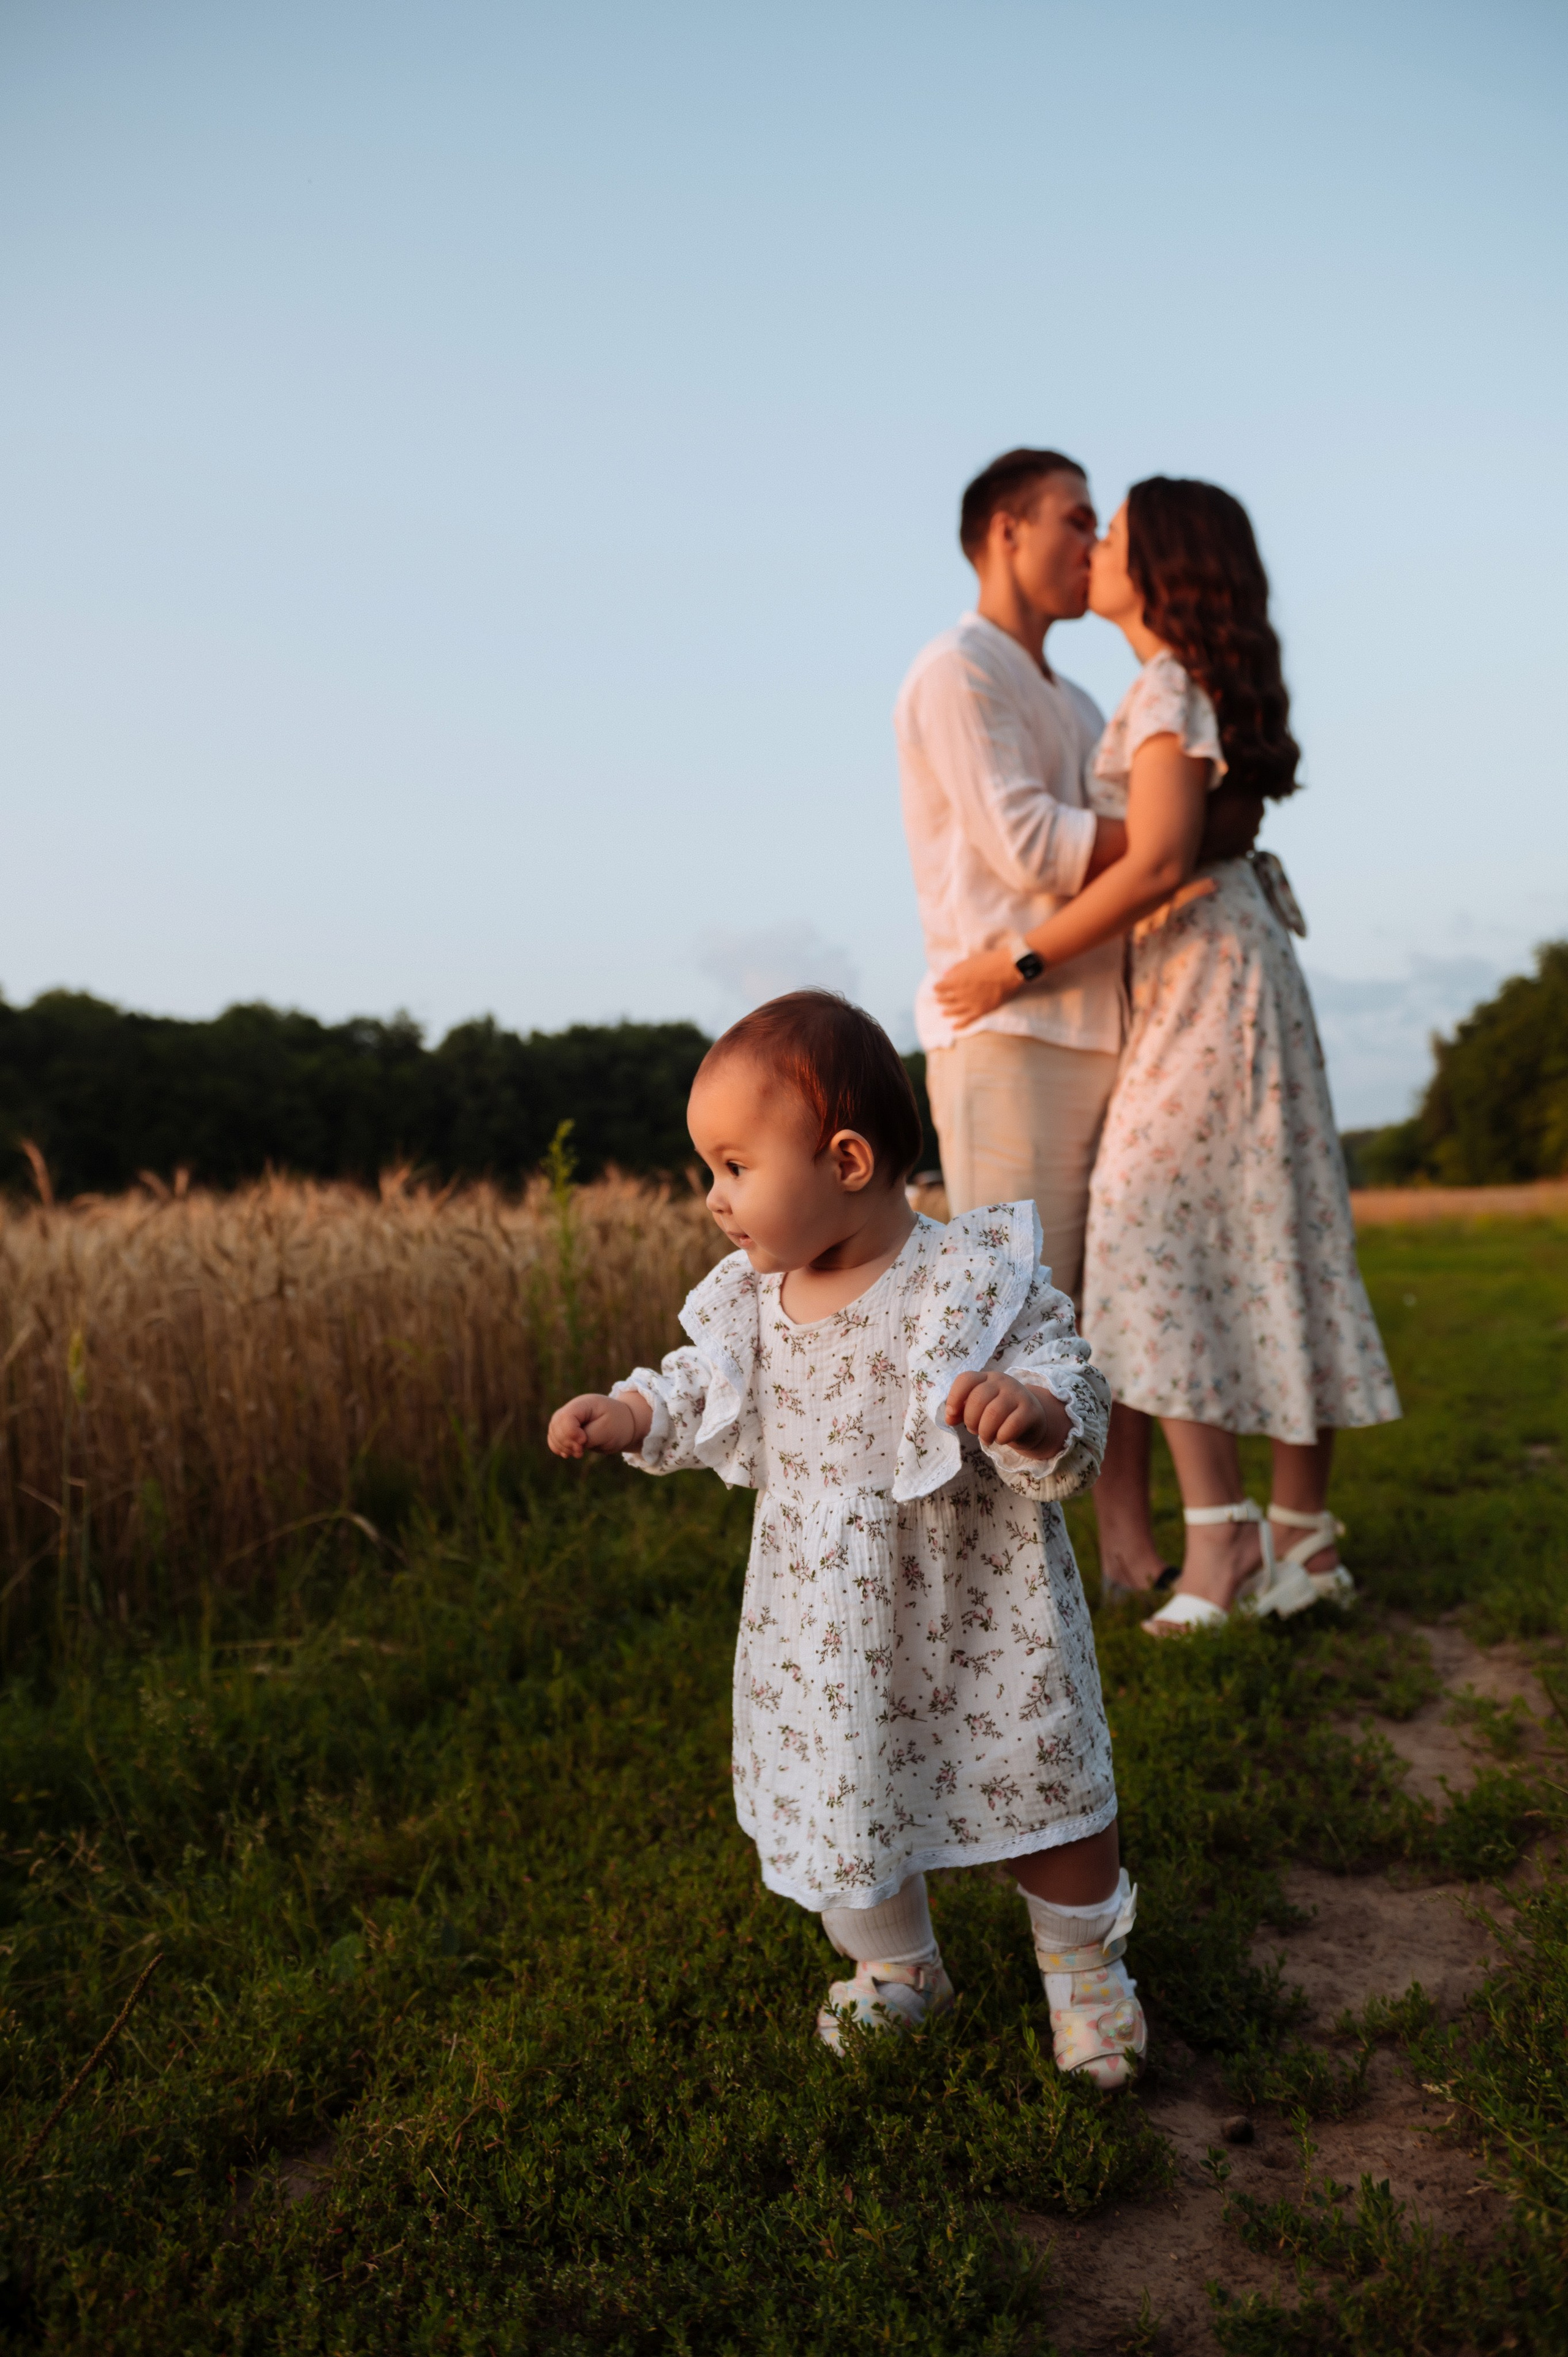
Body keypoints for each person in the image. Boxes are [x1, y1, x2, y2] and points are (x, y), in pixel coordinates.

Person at [547, 990, 1145, 2085]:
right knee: (848, 1790)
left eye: (734, 1166)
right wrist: (629, 1414)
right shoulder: (752, 1304)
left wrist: (1036, 1408)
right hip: (831, 1633)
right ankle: (899, 1969)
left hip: (979, 1611)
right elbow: (694, 1389)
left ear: (849, 1160)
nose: (715, 1200)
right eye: (709, 1172)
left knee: (1038, 1775)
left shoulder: (965, 1278)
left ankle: (1086, 1975)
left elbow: (1069, 1376)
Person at [934, 480, 1400, 1631]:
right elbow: (1172, 847)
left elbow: (1155, 863)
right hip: (1209, 980)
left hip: (1207, 983)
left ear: (1158, 568)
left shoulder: (1161, 686)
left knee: (1152, 1233)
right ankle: (1294, 1543)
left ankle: (1233, 1546)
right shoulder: (1157, 687)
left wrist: (1017, 964)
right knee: (1258, 1231)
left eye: (1115, 534)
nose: (1093, 548)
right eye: (1085, 526)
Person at [896, 447, 1262, 1303]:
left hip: (1109, 1032)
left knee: (1113, 1332)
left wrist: (1168, 853)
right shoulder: (960, 667)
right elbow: (1024, 840)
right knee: (1020, 1326)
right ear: (1006, 529)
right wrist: (1166, 842)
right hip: (1011, 1031)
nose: (1094, 542)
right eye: (1076, 518)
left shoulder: (1084, 702)